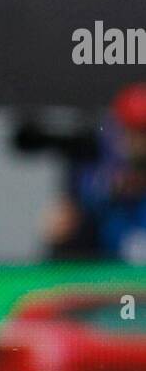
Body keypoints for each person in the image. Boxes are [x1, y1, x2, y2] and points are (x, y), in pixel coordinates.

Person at [46, 86, 146, 263]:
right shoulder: (99, 171)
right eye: (131, 131)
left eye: (142, 132)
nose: (137, 140)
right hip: (107, 266)